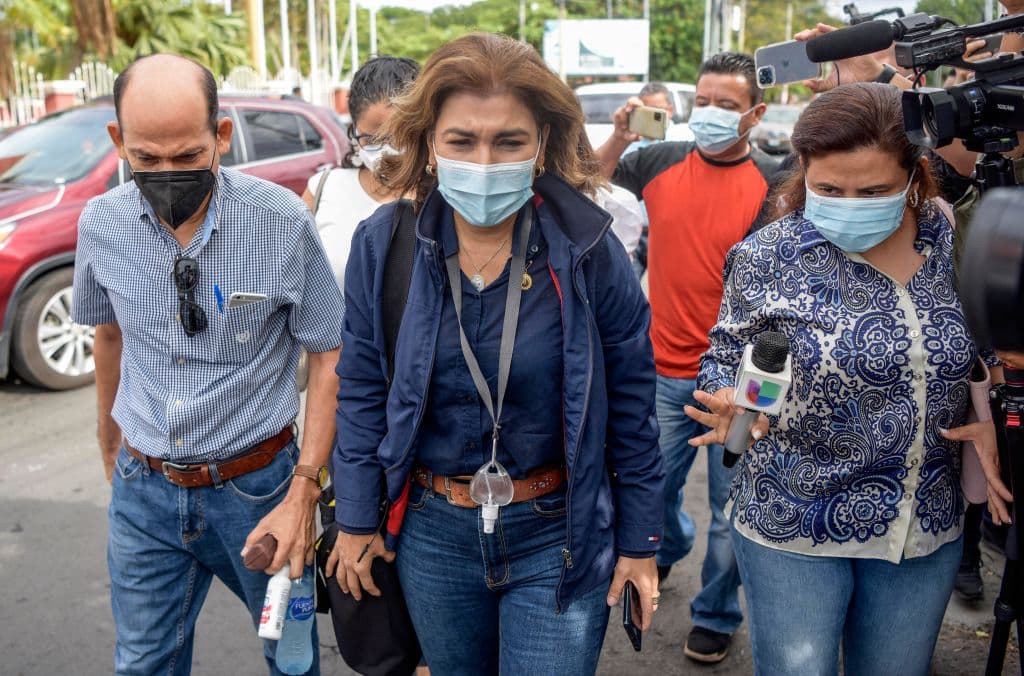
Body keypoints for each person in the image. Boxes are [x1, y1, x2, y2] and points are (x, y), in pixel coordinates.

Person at [326, 33, 665, 674]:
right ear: (430, 143)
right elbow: (363, 390)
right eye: (462, 141)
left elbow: (631, 406)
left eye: (509, 141)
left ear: (542, 142)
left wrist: (641, 542)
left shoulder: (590, 250)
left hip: (558, 533)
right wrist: (357, 518)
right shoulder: (385, 245)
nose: (484, 161)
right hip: (433, 535)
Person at [687, 82, 1010, 675]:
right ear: (804, 171)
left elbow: (988, 349)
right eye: (830, 190)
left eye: (874, 191)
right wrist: (727, 397)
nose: (849, 204)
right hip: (792, 517)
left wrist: (994, 416)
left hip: (920, 525)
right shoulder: (767, 256)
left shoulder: (951, 242)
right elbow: (724, 352)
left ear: (913, 177)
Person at [71, 54, 344, 675]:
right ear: (118, 141)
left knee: (291, 657)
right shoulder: (102, 224)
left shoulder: (280, 221)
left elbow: (329, 350)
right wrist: (109, 440)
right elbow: (108, 334)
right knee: (143, 663)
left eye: (188, 156)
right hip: (143, 488)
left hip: (260, 488)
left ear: (221, 135)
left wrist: (304, 487)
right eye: (147, 159)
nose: (169, 174)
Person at [594, 51, 776, 664]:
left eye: (727, 104)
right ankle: (669, 545)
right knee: (652, 489)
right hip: (659, 371)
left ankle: (716, 614)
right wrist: (619, 137)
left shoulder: (774, 183)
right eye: (703, 101)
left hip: (736, 387)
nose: (711, 113)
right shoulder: (658, 161)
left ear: (755, 114)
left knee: (732, 509)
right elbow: (583, 188)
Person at [302, 56, 420, 292]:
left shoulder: (440, 197)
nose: (388, 150)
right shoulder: (323, 189)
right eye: (372, 139)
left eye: (401, 137)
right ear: (354, 131)